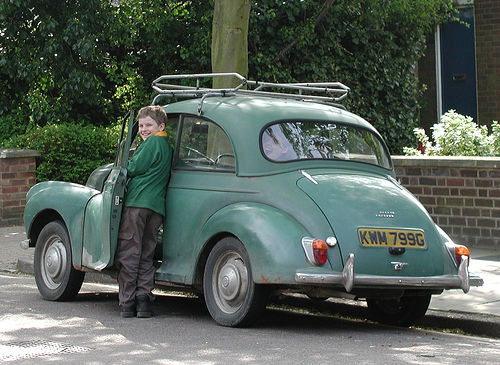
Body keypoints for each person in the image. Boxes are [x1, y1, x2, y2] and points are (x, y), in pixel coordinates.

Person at [114, 105, 172, 318]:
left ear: (160, 126)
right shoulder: (167, 146)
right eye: (141, 125)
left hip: (137, 204)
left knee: (130, 252)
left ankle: (127, 303)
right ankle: (144, 301)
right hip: (156, 207)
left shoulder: (152, 143)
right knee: (146, 255)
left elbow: (133, 168)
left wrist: (127, 160)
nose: (144, 129)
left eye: (148, 125)